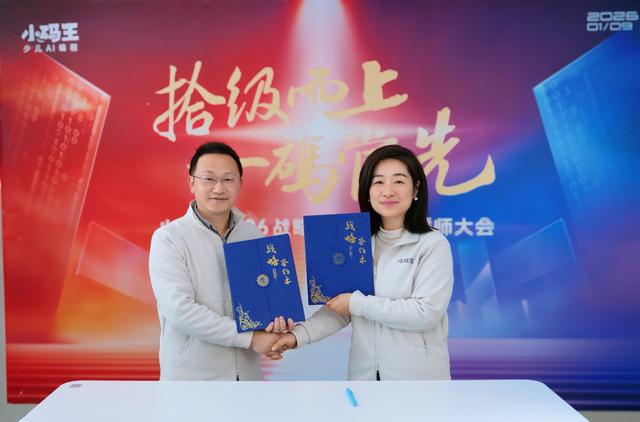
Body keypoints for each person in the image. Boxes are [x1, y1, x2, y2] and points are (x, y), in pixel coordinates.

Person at [272, 144, 454, 380]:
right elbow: (340, 309)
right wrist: (296, 336)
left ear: (416, 189)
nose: (387, 191)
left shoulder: (432, 244)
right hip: (365, 379)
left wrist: (357, 303)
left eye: (399, 181)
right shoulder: (354, 244)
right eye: (378, 182)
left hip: (418, 381)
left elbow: (425, 313)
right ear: (367, 191)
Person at [149, 141, 292, 381]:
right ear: (192, 182)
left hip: (246, 377)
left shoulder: (252, 235)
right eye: (209, 179)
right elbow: (180, 311)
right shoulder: (169, 239)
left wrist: (275, 328)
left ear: (240, 184)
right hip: (192, 380)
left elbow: (263, 302)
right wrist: (251, 339)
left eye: (228, 179)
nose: (219, 188)